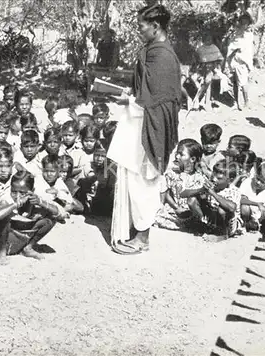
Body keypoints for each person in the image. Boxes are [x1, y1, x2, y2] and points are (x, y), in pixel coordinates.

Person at [108, 4, 181, 254]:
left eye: (141, 26)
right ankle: (136, 229)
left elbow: (159, 99)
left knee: (143, 179)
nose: (139, 31)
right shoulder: (153, 51)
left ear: (155, 26)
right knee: (135, 176)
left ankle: (142, 237)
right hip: (140, 119)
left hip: (150, 124)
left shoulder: (162, 56)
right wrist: (131, 95)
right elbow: (147, 90)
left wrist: (128, 100)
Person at [0, 172, 58, 265]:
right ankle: (1, 252)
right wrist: (14, 205)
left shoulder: (35, 197)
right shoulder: (6, 198)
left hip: (20, 237)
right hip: (3, 239)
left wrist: (41, 203)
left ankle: (28, 248)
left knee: (50, 219)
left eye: (22, 193)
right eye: (14, 192)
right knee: (4, 216)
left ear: (32, 190)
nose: (17, 196)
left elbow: (57, 213)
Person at [155, 139, 207, 232]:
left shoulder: (199, 177)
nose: (177, 156)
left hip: (192, 212)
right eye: (177, 153)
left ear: (192, 159)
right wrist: (176, 207)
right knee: (157, 216)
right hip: (176, 210)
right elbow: (166, 192)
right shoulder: (172, 174)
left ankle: (197, 225)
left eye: (181, 154)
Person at [226, 13, 254, 110]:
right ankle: (236, 102)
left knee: (243, 83)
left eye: (245, 23)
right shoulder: (236, 34)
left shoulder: (249, 36)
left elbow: (245, 49)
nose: (243, 25)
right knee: (234, 82)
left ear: (248, 24)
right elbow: (231, 46)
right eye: (242, 23)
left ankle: (247, 102)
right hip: (234, 61)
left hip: (242, 63)